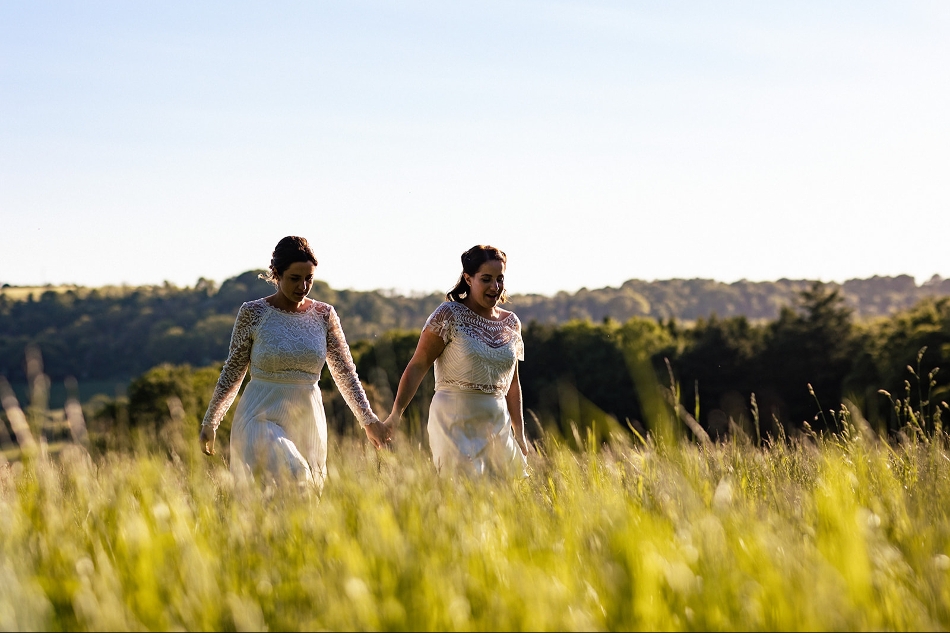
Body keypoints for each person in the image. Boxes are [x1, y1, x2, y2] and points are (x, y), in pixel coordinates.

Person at [199, 236, 390, 488]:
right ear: (276, 274)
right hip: (259, 416)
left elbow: (345, 373)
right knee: (296, 472)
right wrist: (211, 422)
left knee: (300, 501)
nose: (303, 286)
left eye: (309, 278)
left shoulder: (325, 315)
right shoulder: (253, 313)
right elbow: (232, 372)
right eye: (294, 278)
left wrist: (368, 420)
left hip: (307, 419)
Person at [382, 245, 528, 477]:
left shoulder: (511, 322)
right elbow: (418, 365)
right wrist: (396, 415)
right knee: (463, 494)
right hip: (454, 420)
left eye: (500, 279)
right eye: (486, 279)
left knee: (504, 502)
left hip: (497, 423)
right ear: (468, 279)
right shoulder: (449, 314)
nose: (495, 287)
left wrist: (518, 431)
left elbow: (512, 383)